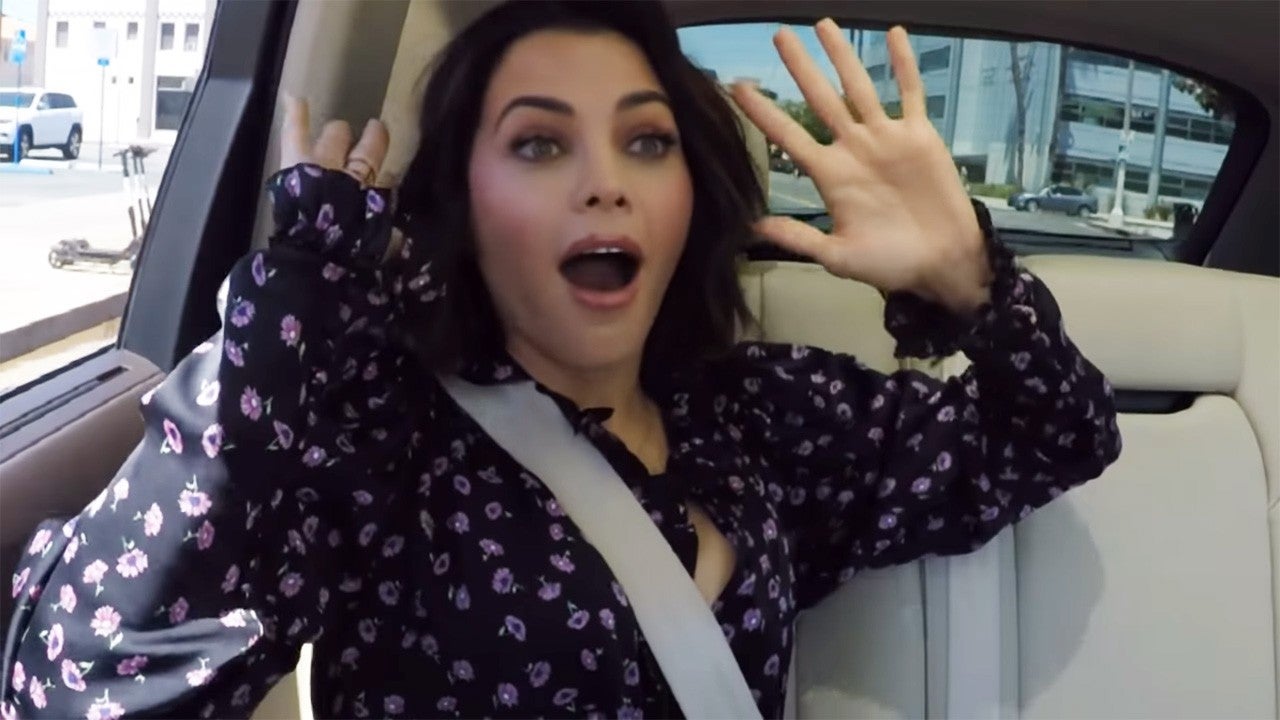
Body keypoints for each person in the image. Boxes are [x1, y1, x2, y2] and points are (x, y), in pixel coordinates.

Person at [0, 2, 1121, 718]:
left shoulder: (759, 416)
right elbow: (79, 683)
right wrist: (289, 312)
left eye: (647, 141)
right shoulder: (378, 435)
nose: (605, 182)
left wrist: (969, 282)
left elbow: (1052, 437)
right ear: (463, 207)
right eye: (539, 143)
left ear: (690, 200)